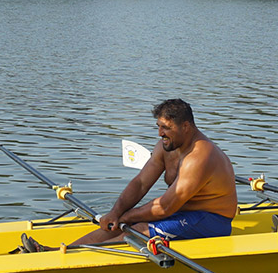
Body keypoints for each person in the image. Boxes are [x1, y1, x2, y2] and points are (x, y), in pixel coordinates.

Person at [20, 99, 238, 251]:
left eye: (166, 128)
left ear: (186, 126)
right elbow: (141, 183)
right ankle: (61, 251)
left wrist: (126, 217)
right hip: (182, 213)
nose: (160, 133)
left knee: (136, 230)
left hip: (212, 220)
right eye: (158, 126)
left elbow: (165, 207)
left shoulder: (200, 156)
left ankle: (71, 258)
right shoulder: (166, 147)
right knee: (115, 223)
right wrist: (115, 213)